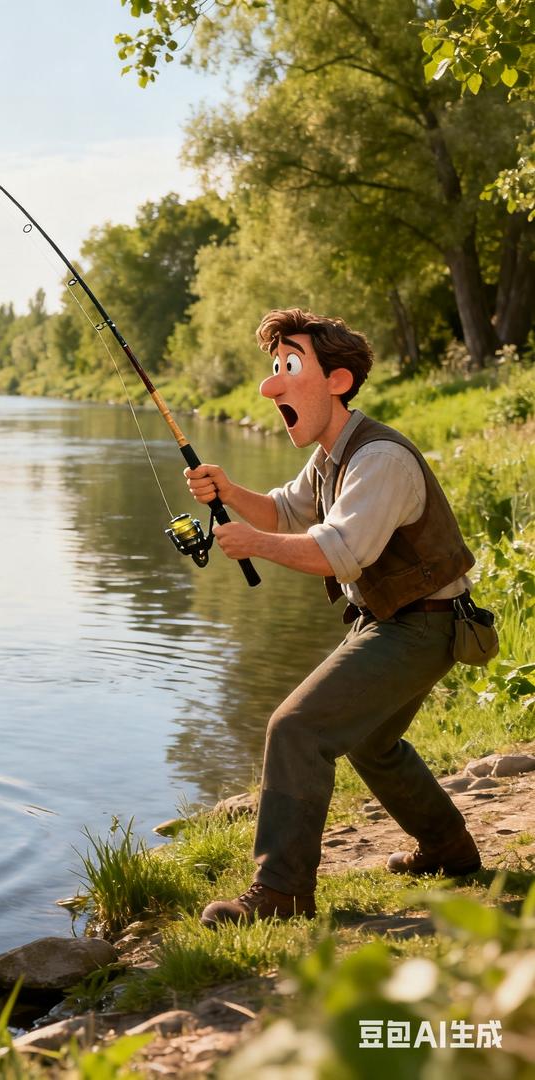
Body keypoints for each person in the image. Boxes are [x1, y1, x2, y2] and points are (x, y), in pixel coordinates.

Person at [184, 308, 481, 928]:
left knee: (295, 728)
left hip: (424, 625)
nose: (271, 387)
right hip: (398, 619)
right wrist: (231, 491)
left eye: (289, 367)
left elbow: (338, 551)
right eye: (274, 369)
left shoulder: (379, 460)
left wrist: (252, 544)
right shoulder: (330, 456)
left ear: (337, 381)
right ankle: (450, 851)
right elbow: (287, 512)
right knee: (374, 741)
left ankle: (282, 891)